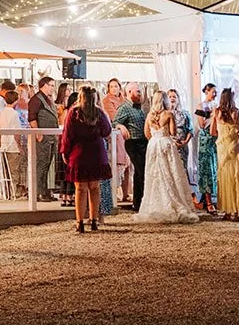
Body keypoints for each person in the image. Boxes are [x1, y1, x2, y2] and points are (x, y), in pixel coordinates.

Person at [133, 107, 199, 224]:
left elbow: (147, 133)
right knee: (170, 173)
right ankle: (173, 202)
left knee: (154, 174)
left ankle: (155, 204)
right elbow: (173, 132)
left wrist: (155, 137)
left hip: (153, 144)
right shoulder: (168, 114)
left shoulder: (149, 115)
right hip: (165, 143)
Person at [60, 86, 112, 233]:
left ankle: (79, 222)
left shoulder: (74, 112)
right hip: (96, 152)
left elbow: (67, 134)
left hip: (79, 153)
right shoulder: (99, 112)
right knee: (94, 188)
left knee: (80, 189)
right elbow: (107, 130)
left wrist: (65, 151)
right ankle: (94, 220)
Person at [211, 89, 239, 222]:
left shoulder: (216, 112)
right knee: (236, 178)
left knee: (224, 178)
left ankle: (227, 211)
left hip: (222, 147)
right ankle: (236, 212)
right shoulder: (238, 112)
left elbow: (212, 132)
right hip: (235, 147)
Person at [115, 87, 150, 211]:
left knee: (139, 172)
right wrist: (120, 126)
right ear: (129, 92)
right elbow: (115, 122)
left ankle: (138, 202)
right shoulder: (124, 107)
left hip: (143, 142)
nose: (140, 94)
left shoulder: (139, 108)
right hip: (133, 143)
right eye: (138, 91)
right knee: (141, 170)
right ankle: (141, 202)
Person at [27, 75, 58, 200]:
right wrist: (38, 133)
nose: (52, 88)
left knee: (48, 165)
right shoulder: (36, 100)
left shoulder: (48, 99)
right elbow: (32, 118)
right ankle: (39, 192)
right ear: (44, 85)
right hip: (43, 137)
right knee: (41, 164)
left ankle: (44, 191)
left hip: (50, 137)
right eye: (51, 85)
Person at [191, 83, 218, 214]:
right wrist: (212, 115)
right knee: (206, 168)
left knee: (214, 167)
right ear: (207, 91)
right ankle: (208, 201)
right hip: (205, 138)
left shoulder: (217, 105)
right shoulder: (201, 106)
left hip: (216, 139)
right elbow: (201, 124)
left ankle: (214, 197)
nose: (215, 94)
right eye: (213, 91)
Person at [0, 88, 26, 198]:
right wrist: (19, 145)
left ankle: (6, 191)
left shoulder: (1, 112)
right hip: (12, 145)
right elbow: (16, 132)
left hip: (4, 143)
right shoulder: (14, 114)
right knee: (14, 170)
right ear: (16, 100)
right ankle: (14, 191)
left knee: (6, 170)